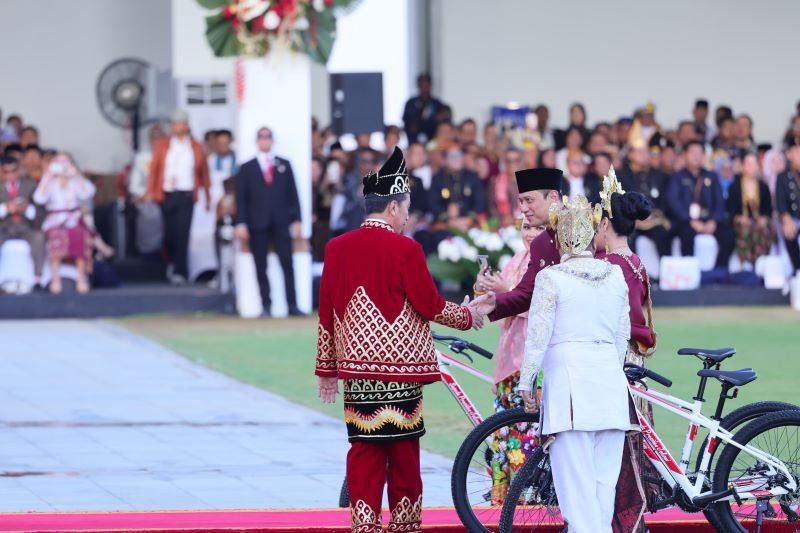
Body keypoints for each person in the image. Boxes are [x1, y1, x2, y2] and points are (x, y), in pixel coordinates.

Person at [315, 147, 482, 533]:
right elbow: (428, 305)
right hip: (400, 373)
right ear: (393, 207)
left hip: (357, 372)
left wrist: (327, 370)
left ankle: (365, 525)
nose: (408, 216)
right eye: (406, 207)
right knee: (404, 455)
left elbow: (327, 311)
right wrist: (470, 315)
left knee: (364, 452)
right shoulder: (406, 248)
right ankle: (405, 527)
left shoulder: (336, 248)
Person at [518, 194, 631, 533]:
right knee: (601, 491)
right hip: (609, 386)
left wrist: (526, 382)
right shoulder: (614, 276)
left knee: (577, 494)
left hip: (571, 390)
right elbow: (621, 337)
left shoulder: (551, 278)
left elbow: (537, 336)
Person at [594, 169, 658, 533]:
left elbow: (622, 321)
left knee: (619, 450)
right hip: (633, 359)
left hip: (618, 362)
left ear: (605, 225)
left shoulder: (612, 266)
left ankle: (625, 520)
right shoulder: (635, 262)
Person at [475, 217, 546, 504]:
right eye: (526, 227)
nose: (530, 233)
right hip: (508, 359)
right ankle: (501, 501)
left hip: (532, 361)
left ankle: (527, 499)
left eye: (538, 228)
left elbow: (539, 309)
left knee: (525, 432)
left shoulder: (546, 264)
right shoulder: (516, 260)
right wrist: (484, 293)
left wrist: (506, 291)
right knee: (501, 433)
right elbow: (500, 307)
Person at [472, 168, 564, 322]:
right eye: (521, 201)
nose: (523, 208)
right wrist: (494, 301)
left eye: (529, 200)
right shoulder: (539, 244)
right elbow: (526, 293)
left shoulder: (582, 229)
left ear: (553, 197)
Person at [235, 126, 303, 317]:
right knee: (260, 265)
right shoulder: (247, 167)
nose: (265, 140)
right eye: (262, 137)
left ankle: (292, 304)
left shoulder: (284, 164)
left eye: (268, 137)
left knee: (287, 263)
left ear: (272, 140)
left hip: (281, 220)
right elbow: (242, 198)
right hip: (258, 222)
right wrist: (241, 223)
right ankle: (266, 304)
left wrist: (297, 219)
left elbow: (293, 193)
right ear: (257, 141)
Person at [146, 110, 211, 284]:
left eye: (181, 123)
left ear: (187, 125)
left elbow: (204, 173)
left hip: (187, 194)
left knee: (183, 233)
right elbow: (154, 170)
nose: (177, 127)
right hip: (167, 194)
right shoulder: (163, 145)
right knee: (169, 235)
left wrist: (208, 195)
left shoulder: (196, 147)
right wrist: (151, 191)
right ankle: (172, 262)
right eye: (174, 124)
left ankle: (180, 271)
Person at [33, 154, 96, 294]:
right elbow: (39, 199)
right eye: (58, 163)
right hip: (55, 219)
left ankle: (81, 277)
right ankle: (55, 278)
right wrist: (48, 176)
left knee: (80, 235)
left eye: (65, 163)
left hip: (73, 218)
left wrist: (77, 175)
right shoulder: (51, 181)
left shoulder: (75, 180)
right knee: (56, 236)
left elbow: (88, 193)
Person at [667, 140, 735, 268]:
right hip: (686, 220)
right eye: (692, 152)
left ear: (704, 155)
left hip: (709, 219)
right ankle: (689, 271)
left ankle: (718, 272)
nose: (696, 156)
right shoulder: (677, 177)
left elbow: (720, 201)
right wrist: (690, 220)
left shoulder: (712, 176)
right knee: (686, 235)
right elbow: (674, 201)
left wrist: (714, 221)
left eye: (700, 152)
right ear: (685, 155)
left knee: (729, 236)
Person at [617, 140, 672, 260]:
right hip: (631, 221)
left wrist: (653, 214)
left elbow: (665, 199)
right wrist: (633, 218)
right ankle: (633, 273)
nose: (644, 154)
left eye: (646, 151)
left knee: (662, 233)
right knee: (627, 237)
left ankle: (666, 274)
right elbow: (619, 200)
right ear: (630, 154)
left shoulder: (658, 174)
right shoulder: (621, 175)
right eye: (640, 151)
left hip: (653, 219)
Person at [0, 155, 45, 291]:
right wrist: (6, 209)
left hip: (26, 229)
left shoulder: (30, 186)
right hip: (4, 229)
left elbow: (41, 212)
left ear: (19, 170)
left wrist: (27, 209)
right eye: (6, 172)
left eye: (14, 171)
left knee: (39, 237)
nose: (11, 175)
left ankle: (38, 279)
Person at [727, 153, 775, 268]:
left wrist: (764, 218)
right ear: (742, 166)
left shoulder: (763, 187)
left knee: (763, 230)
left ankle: (761, 262)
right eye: (749, 164)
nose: (752, 167)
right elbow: (730, 209)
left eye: (755, 164)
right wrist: (738, 218)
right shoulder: (734, 186)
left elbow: (767, 209)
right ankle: (746, 262)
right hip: (740, 223)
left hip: (759, 222)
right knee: (745, 230)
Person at [776, 137, 800, 272]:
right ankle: (797, 269)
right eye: (797, 151)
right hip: (793, 219)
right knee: (789, 232)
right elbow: (781, 202)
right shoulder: (783, 177)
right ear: (789, 154)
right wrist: (786, 220)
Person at [402, 73, 444, 144]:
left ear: (430, 86)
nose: (424, 87)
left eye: (426, 84)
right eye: (421, 85)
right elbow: (406, 122)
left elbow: (440, 123)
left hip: (433, 142)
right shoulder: (411, 103)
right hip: (414, 141)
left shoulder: (437, 104)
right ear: (418, 86)